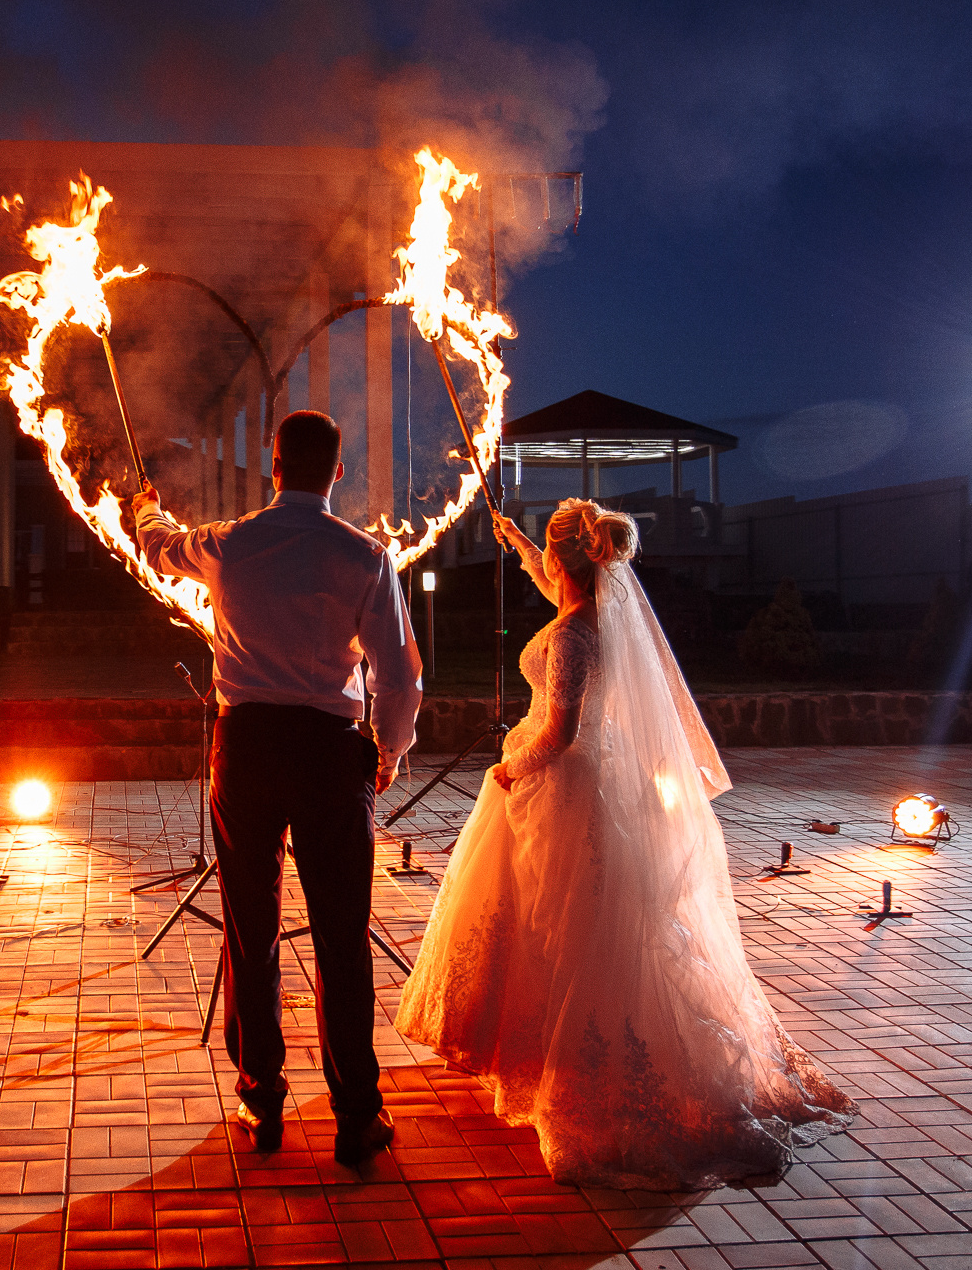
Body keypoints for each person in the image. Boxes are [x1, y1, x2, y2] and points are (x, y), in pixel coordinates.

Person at [395, 498, 855, 1190]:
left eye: (545, 554)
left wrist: (507, 767)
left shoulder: (576, 633)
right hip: (586, 784)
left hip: (559, 784)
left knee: (567, 927)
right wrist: (520, 540)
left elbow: (560, 733)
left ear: (565, 559)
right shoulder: (596, 610)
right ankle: (545, 1052)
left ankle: (576, 1069)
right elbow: (554, 589)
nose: (542, 568)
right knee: (559, 922)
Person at [132, 409, 423, 1167]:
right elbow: (400, 676)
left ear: (273, 468)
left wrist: (145, 509)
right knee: (341, 936)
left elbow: (160, 549)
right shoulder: (366, 556)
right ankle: (358, 1115)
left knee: (250, 927)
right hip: (331, 753)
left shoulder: (230, 542)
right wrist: (388, 751)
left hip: (250, 748)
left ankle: (261, 1100)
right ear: (336, 473)